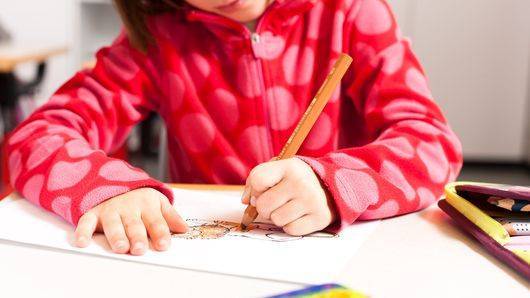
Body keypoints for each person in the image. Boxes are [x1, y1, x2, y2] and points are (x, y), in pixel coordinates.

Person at [6, 0, 463, 256]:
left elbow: (431, 143)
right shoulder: (157, 39)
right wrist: (107, 190)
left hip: (344, 264)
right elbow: (36, 136)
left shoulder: (351, 12)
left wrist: (333, 185)